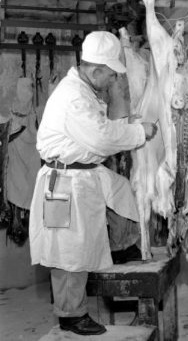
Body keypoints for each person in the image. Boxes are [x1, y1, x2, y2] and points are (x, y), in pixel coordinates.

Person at [29, 31, 157, 336]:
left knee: (120, 189)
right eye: (111, 75)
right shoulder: (73, 95)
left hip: (84, 171)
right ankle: (71, 315)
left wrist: (129, 125)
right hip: (64, 182)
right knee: (69, 248)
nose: (113, 81)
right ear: (96, 70)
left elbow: (98, 128)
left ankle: (122, 247)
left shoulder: (84, 90)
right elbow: (100, 137)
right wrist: (139, 132)